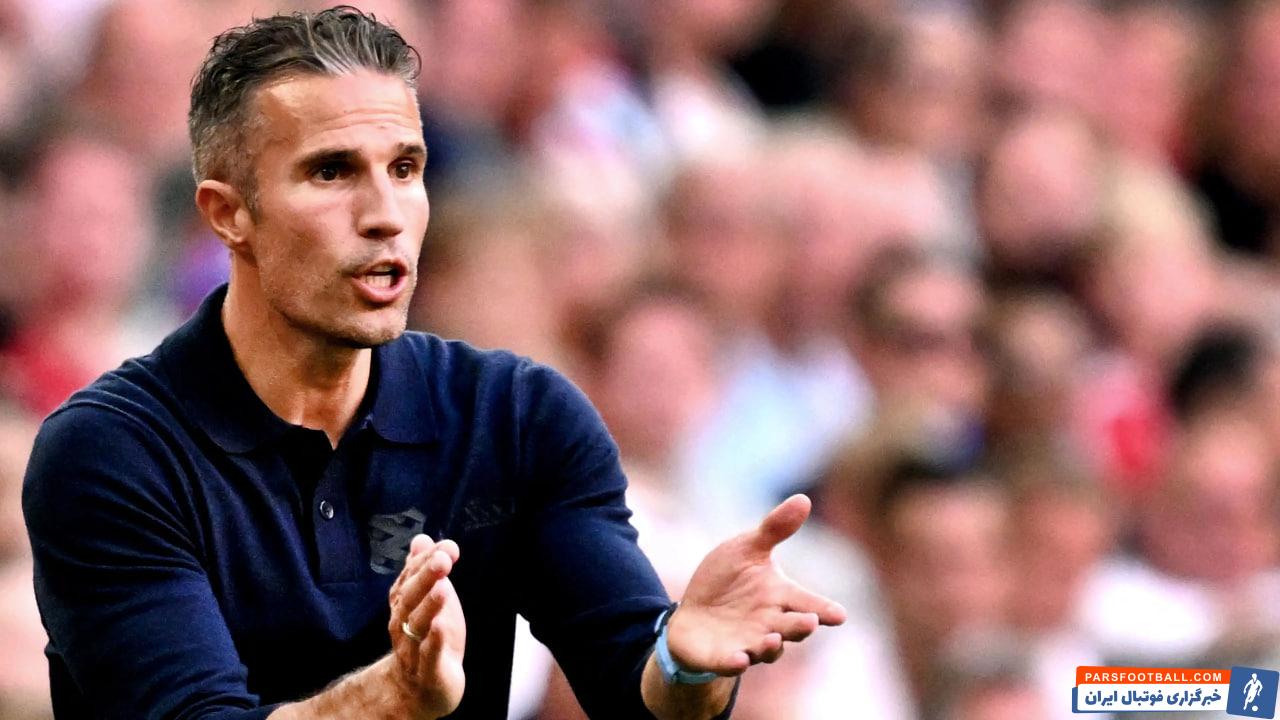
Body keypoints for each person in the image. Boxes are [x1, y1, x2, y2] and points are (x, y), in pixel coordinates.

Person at [20, 7, 845, 720]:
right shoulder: (110, 452)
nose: (385, 214)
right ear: (229, 215)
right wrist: (387, 699)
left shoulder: (517, 414)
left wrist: (687, 662)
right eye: (332, 171)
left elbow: (636, 687)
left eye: (405, 169)